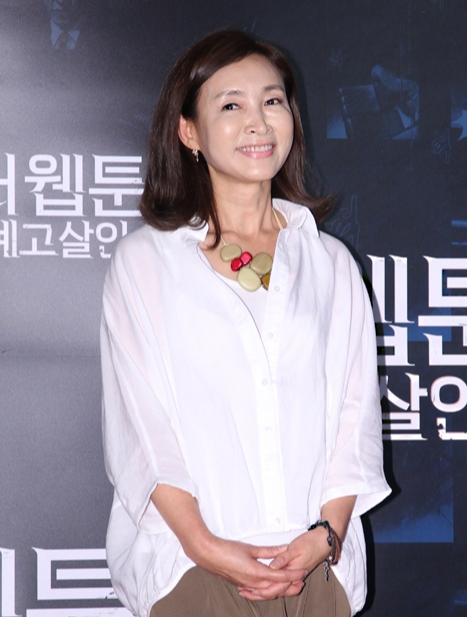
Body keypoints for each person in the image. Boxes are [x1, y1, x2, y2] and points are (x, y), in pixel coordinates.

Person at [100, 29, 391, 617]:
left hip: (316, 569)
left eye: (272, 101)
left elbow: (354, 417)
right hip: (191, 568)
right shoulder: (146, 262)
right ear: (189, 132)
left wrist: (325, 537)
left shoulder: (330, 263)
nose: (258, 122)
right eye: (231, 105)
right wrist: (205, 547)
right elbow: (143, 431)